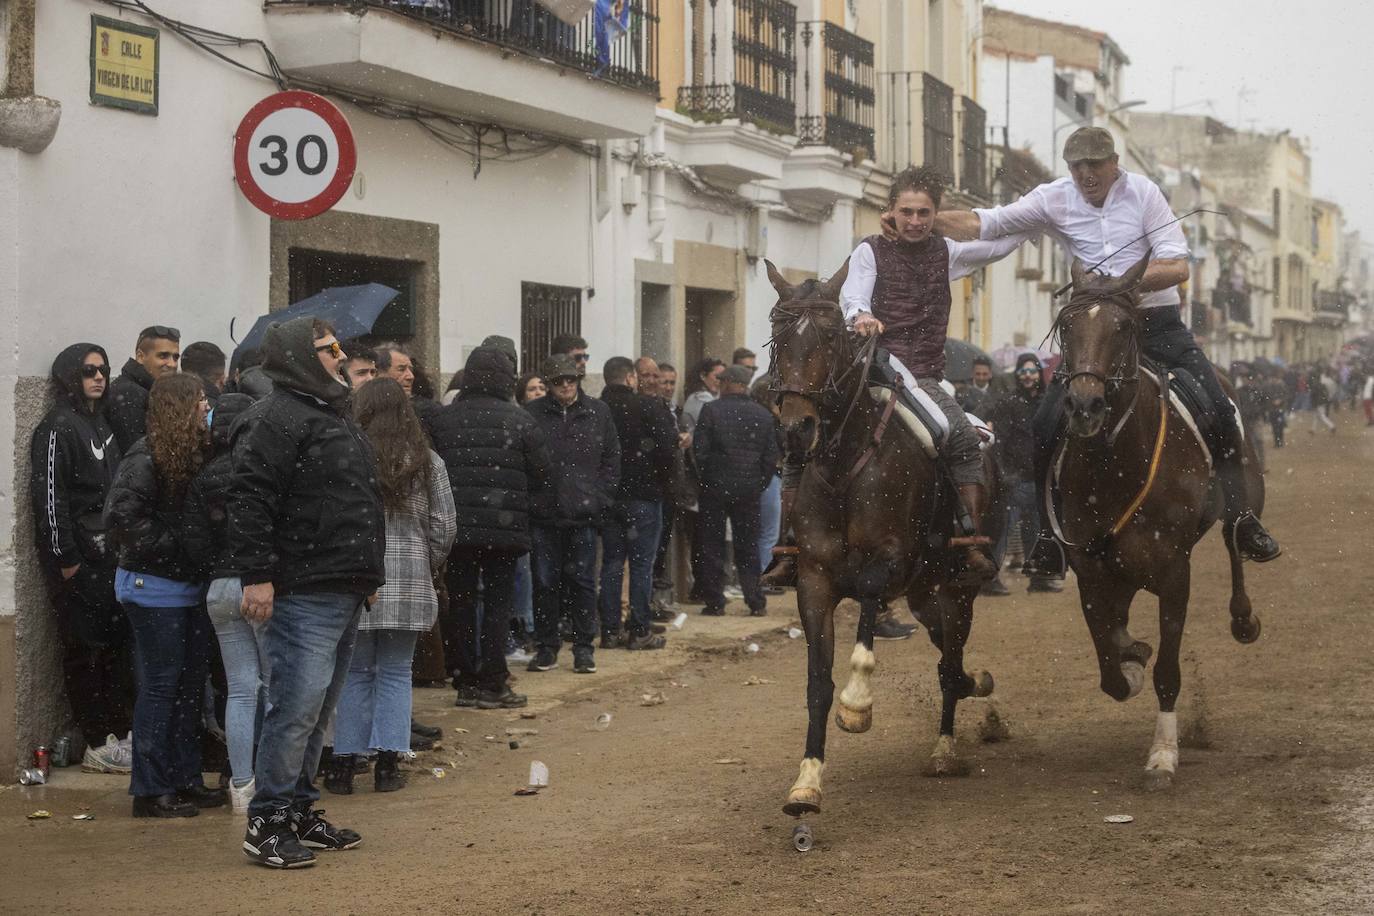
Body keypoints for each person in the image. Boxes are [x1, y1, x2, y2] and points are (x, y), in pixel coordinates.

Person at [931, 127, 1281, 575]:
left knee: (1219, 406)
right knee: (1042, 426)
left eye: (1094, 164)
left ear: (1115, 163)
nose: (1086, 174)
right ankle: (1047, 536)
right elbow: (988, 222)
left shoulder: (1145, 194)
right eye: (1077, 165)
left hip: (1156, 325)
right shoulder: (1053, 197)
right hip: (1094, 334)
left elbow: (1176, 264)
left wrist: (1123, 284)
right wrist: (925, 219)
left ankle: (1242, 518)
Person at [228, 317, 384, 869]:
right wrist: (257, 576)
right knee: (293, 710)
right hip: (301, 588)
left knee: (317, 713)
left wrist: (365, 578)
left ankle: (297, 810)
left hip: (340, 586)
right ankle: (267, 822)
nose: (340, 356)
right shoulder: (274, 418)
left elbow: (356, 498)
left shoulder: (328, 412)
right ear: (299, 355)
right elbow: (249, 499)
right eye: (329, 348)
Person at [849, 165, 1027, 581]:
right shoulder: (869, 251)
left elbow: (998, 247)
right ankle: (788, 545)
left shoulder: (948, 252)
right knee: (803, 437)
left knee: (964, 438)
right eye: (907, 212)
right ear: (890, 211)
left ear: (936, 215)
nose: (914, 222)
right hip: (873, 375)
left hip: (923, 380)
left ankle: (970, 538)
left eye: (924, 214)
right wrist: (862, 317)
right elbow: (854, 297)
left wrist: (1036, 222)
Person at [326, 379, 455, 794]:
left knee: (355, 672)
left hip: (358, 578)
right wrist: (425, 562)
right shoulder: (427, 461)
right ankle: (387, 765)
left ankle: (344, 763)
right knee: (397, 672)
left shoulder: (348, 456)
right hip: (410, 582)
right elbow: (444, 526)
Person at [104, 373, 222, 818]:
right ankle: (151, 789)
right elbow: (122, 520)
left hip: (185, 588)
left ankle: (185, 779)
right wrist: (182, 544)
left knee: (190, 687)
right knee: (161, 687)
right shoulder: (145, 456)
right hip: (152, 590)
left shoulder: (188, 454)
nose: (206, 407)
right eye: (201, 400)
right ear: (181, 407)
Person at [30, 343, 134, 774]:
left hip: (110, 559)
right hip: (78, 563)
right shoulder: (57, 426)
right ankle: (95, 739)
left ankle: (115, 734)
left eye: (103, 370)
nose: (98, 377)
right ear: (71, 376)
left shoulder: (102, 425)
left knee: (113, 648)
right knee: (85, 650)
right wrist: (66, 558)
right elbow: (49, 495)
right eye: (89, 370)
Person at [430, 347, 549, 705]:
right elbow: (543, 475)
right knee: (499, 604)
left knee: (461, 602)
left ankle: (465, 679)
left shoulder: (444, 419)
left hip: (459, 529)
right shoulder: (521, 420)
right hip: (505, 528)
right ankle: (494, 681)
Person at [182, 392, 261, 814]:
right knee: (269, 688)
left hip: (218, 589)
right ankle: (269, 778)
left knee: (240, 691)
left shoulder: (205, 475)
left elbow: (195, 541)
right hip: (257, 586)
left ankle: (240, 785)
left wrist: (215, 565)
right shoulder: (260, 470)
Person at [524, 353, 619, 673]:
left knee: (582, 582)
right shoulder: (532, 413)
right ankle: (547, 646)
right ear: (549, 385)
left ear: (578, 380)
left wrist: (598, 497)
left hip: (583, 514)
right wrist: (534, 500)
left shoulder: (598, 411)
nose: (565, 385)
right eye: (558, 381)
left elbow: (611, 459)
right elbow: (524, 460)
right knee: (545, 582)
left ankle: (583, 647)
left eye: (570, 379)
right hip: (545, 514)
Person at [596, 356, 675, 649]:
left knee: (612, 563)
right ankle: (639, 629)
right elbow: (667, 450)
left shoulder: (596, 409)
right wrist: (659, 481)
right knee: (642, 564)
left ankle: (609, 630)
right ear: (630, 378)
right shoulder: (646, 406)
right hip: (643, 496)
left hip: (609, 498)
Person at [693, 365, 779, 616]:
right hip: (749, 491)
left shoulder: (711, 410)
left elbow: (700, 451)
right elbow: (770, 457)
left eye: (722, 381)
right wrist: (757, 483)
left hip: (715, 490)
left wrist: (709, 478)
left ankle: (715, 602)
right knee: (748, 546)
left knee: (712, 546)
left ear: (732, 383)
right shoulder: (762, 415)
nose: (719, 385)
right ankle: (755, 600)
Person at [985, 354, 1061, 595]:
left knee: (1036, 532)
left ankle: (1038, 577)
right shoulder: (1008, 402)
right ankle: (989, 579)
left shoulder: (1045, 403)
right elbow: (1000, 443)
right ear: (1017, 375)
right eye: (1023, 372)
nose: (1028, 376)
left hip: (1038, 479)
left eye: (1032, 371)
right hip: (1015, 480)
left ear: (1039, 374)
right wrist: (1005, 474)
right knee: (1002, 532)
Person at [108, 325, 181, 454]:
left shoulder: (149, 389)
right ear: (140, 357)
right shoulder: (129, 394)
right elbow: (135, 453)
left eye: (175, 357)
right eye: (163, 356)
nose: (172, 364)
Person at [374, 342, 440, 425]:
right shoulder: (363, 410)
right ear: (379, 373)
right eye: (401, 369)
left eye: (411, 370)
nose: (411, 376)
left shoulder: (425, 412)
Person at [682, 358, 724, 434]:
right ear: (703, 376)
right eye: (717, 377)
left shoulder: (712, 395)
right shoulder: (699, 397)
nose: (720, 381)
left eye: (723, 378)